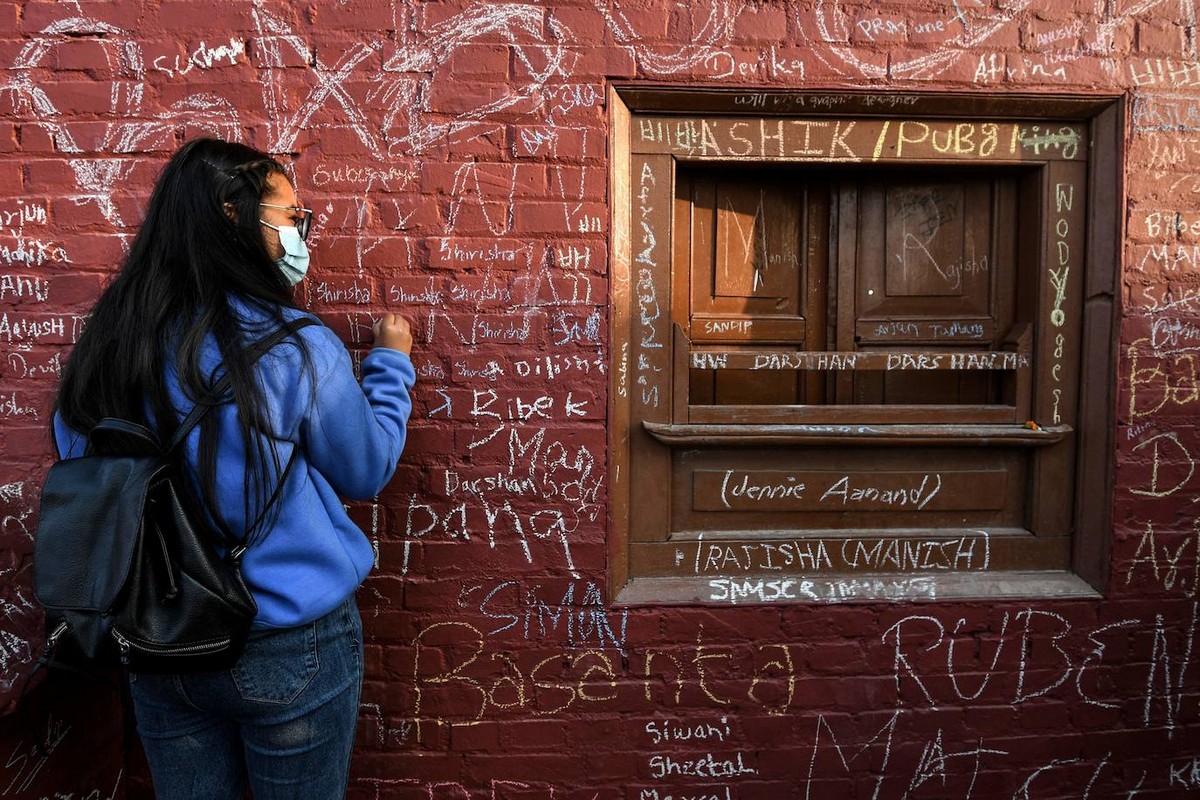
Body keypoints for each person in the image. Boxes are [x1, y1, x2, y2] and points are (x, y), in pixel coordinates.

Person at [49, 138, 415, 798]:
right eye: (291, 216)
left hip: (158, 636)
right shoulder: (295, 346)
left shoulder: (110, 344)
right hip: (285, 636)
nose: (300, 233)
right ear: (233, 216)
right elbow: (365, 470)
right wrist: (390, 369)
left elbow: (83, 466)